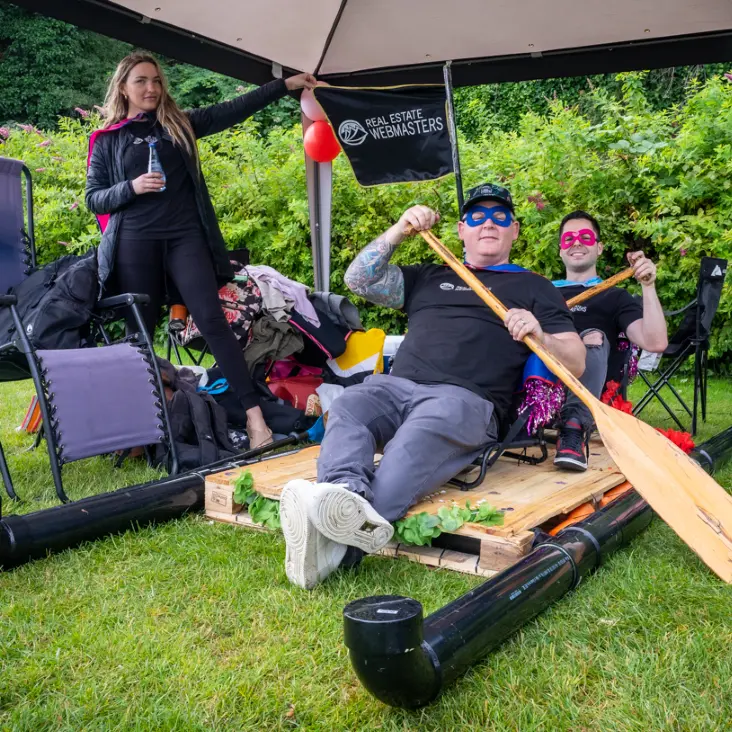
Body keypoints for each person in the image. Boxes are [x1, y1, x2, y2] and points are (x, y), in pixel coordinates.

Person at [279, 183, 586, 589]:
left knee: (414, 439)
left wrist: (540, 334)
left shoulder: (534, 288)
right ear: (461, 230)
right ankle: (343, 495)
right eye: (477, 217)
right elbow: (359, 280)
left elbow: (576, 360)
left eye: (499, 217)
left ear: (515, 229)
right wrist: (399, 230)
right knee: (352, 403)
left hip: (466, 401)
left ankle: (339, 545)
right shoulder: (430, 274)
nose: (488, 224)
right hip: (397, 387)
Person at [85, 52, 316, 449]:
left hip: (185, 237)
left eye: (156, 80)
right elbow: (94, 198)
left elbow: (234, 108)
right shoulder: (109, 138)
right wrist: (132, 188)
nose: (151, 88)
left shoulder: (180, 125)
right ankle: (139, 429)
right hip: (135, 242)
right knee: (138, 334)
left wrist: (284, 86)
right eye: (141, 81)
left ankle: (256, 420)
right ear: (123, 86)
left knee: (212, 321)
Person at [552, 210, 668, 471]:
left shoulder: (615, 296)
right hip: (545, 382)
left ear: (599, 247)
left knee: (593, 337)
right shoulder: (543, 291)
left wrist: (648, 287)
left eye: (585, 236)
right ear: (560, 250)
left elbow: (656, 342)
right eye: (568, 238)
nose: (577, 242)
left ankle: (574, 425)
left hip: (591, 392)